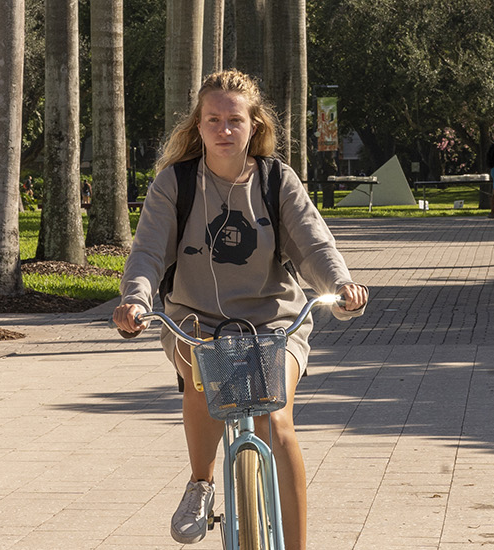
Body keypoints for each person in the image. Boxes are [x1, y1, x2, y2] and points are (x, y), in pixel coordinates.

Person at [112, 69, 369, 550]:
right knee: (200, 370)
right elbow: (148, 252)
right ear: (198, 125)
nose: (223, 129)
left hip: (275, 322)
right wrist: (136, 300)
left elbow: (314, 245)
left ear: (255, 125)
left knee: (277, 423)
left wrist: (341, 285)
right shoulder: (176, 183)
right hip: (195, 319)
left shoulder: (276, 180)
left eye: (234, 119)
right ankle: (201, 484)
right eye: (213, 119)